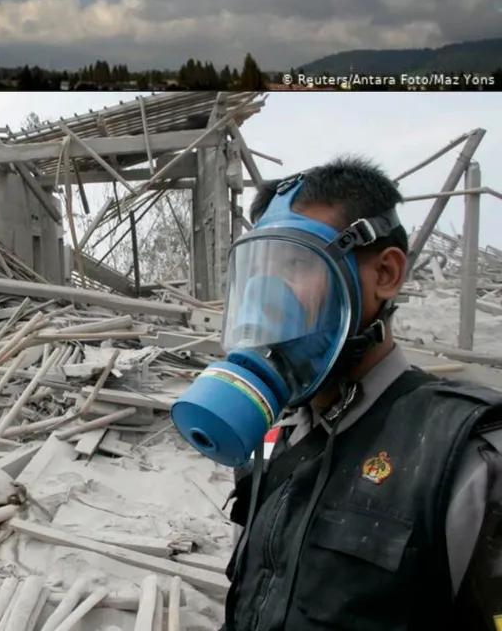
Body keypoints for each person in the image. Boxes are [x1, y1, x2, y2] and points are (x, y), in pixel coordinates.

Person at [171, 156, 501, 629]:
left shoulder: (467, 461)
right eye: (261, 271)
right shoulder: (275, 438)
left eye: (296, 265)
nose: (268, 298)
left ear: (385, 275)